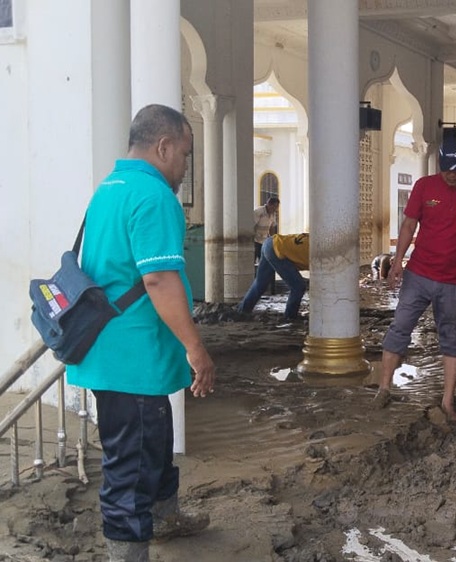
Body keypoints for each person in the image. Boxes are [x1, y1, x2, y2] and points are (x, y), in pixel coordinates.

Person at [65, 104, 215, 562]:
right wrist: (196, 348)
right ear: (163, 146)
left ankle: (166, 518)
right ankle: (128, 554)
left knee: (155, 443)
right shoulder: (153, 196)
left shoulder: (110, 187)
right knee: (129, 465)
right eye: (185, 155)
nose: (185, 167)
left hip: (123, 356)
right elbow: (159, 280)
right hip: (130, 356)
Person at [375, 137, 456, 422]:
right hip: (418, 274)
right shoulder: (424, 187)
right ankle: (383, 388)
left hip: (455, 281)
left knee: (451, 337)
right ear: (438, 164)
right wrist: (397, 262)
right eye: (445, 168)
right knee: (400, 327)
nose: (450, 174)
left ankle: (447, 401)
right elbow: (408, 224)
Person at [236, 233, 309, 320]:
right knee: (298, 286)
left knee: (260, 283)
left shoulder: (317, 242)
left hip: (270, 242)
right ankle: (290, 317)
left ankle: (242, 312)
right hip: (277, 250)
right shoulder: (323, 254)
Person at [253, 196, 280, 261]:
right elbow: (252, 225)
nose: (275, 209)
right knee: (253, 259)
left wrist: (272, 239)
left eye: (276, 207)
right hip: (255, 240)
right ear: (269, 204)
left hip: (264, 240)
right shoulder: (258, 212)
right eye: (274, 206)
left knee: (264, 260)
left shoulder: (273, 214)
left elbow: (272, 227)